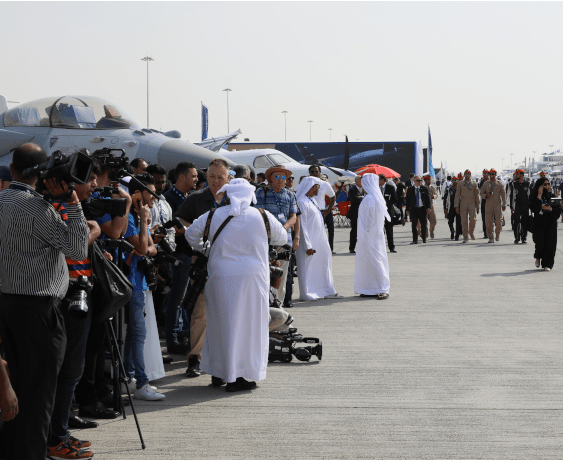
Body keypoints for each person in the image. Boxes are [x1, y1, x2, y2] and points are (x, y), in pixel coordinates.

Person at [0, 143, 89, 460]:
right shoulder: (39, 209)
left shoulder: (1, 201)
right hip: (39, 313)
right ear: (41, 174)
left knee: (13, 393)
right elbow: (78, 250)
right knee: (39, 399)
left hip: (7, 306)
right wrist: (73, 202)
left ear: (12, 170)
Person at [185, 179, 288, 391]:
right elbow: (282, 237)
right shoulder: (262, 216)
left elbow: (190, 235)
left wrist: (206, 249)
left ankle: (218, 372)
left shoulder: (213, 215)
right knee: (249, 327)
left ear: (228, 195)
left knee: (220, 325)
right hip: (253, 278)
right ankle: (238, 377)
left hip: (220, 277)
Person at [47, 165, 103, 459]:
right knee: (67, 371)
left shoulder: (69, 210)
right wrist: (92, 232)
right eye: (90, 179)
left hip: (78, 293)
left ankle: (60, 431)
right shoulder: (55, 209)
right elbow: (72, 248)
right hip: (66, 296)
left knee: (73, 370)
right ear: (72, 185)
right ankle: (55, 437)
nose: (95, 184)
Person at [175, 159, 232, 379]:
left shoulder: (236, 200)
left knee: (227, 314)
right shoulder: (196, 198)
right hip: (202, 264)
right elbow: (179, 218)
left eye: (220, 177)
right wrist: (194, 230)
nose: (216, 181)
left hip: (228, 265)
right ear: (206, 177)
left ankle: (225, 361)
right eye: (211, 177)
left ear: (228, 178)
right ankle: (195, 359)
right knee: (200, 313)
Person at [122, 173, 166, 400]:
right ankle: (141, 383)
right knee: (138, 333)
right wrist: (142, 223)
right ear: (137, 193)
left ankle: (128, 378)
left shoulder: (139, 215)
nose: (154, 198)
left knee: (134, 334)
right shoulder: (131, 217)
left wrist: (146, 238)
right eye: (151, 193)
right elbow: (142, 248)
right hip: (131, 281)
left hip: (138, 280)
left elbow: (152, 248)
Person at [162, 162, 198, 354]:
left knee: (185, 299)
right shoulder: (169, 199)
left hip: (189, 255)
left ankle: (182, 334)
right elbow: (173, 229)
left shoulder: (188, 196)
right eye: (193, 176)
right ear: (181, 177)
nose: (196, 179)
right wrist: (195, 227)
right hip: (179, 255)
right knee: (176, 299)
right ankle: (172, 339)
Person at [255, 165, 298, 304]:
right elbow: (257, 213)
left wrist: (284, 228)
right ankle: (265, 305)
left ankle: (278, 306)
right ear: (270, 179)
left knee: (282, 275)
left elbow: (294, 217)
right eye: (277, 177)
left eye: (283, 177)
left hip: (285, 241)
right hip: (266, 241)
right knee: (265, 273)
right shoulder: (261, 192)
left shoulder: (290, 194)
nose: (281, 180)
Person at [295, 177, 342, 300]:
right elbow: (302, 226)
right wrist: (308, 245)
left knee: (322, 265)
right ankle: (307, 293)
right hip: (309, 243)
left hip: (319, 241)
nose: (319, 189)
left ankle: (324, 290)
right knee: (307, 268)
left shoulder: (311, 200)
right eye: (317, 186)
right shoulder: (302, 202)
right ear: (311, 187)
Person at [354, 173, 390, 299]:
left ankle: (383, 288)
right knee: (370, 261)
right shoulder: (375, 197)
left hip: (369, 236)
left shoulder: (370, 198)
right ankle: (370, 288)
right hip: (374, 236)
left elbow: (370, 219)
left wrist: (366, 232)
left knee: (375, 261)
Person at [530, 177, 561, 271]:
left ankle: (547, 264)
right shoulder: (533, 196)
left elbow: (558, 209)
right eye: (545, 184)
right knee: (540, 243)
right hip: (539, 223)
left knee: (550, 244)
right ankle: (538, 257)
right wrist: (539, 196)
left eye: (548, 184)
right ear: (540, 185)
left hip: (550, 224)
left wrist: (550, 209)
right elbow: (532, 208)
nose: (547, 186)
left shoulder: (551, 196)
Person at [309, 167, 336, 253]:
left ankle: (330, 248)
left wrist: (328, 210)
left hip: (324, 211)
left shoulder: (324, 184)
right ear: (309, 173)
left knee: (330, 230)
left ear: (320, 172)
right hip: (311, 212)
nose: (314, 173)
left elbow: (333, 196)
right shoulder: (306, 184)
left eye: (316, 171)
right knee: (316, 233)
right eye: (312, 172)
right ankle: (316, 249)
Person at [480, 168, 507, 243]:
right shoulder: (485, 183)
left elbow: (504, 194)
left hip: (497, 205)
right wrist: (486, 195)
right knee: (489, 222)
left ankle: (497, 234)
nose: (492, 175)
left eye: (493, 174)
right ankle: (491, 237)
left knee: (498, 221)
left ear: (495, 174)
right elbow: (481, 193)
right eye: (490, 174)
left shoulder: (499, 183)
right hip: (488, 205)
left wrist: (504, 204)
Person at [454, 169, 480, 243]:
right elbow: (457, 195)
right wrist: (456, 206)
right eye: (466, 174)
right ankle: (465, 237)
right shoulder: (460, 184)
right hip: (463, 204)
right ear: (464, 175)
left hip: (472, 203)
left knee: (473, 220)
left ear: (470, 175)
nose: (467, 175)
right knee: (464, 221)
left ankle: (471, 232)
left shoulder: (474, 184)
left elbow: (477, 195)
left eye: (469, 174)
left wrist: (478, 206)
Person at [405, 175, 431, 244]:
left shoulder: (424, 188)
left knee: (424, 224)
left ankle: (424, 238)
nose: (419, 182)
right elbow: (407, 200)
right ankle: (415, 240)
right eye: (418, 180)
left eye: (420, 180)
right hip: (414, 209)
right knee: (413, 225)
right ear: (414, 181)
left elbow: (428, 198)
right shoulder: (410, 189)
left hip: (422, 208)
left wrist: (429, 207)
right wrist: (407, 209)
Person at [510, 168, 531, 244]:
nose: (516, 175)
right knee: (516, 222)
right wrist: (511, 207)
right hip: (517, 206)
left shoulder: (528, 183)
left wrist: (530, 207)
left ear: (521, 175)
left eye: (517, 174)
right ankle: (517, 238)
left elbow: (530, 195)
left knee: (524, 222)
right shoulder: (514, 184)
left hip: (525, 206)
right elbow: (512, 196)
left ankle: (524, 238)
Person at [379, 174, 397, 252]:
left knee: (389, 230)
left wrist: (387, 203)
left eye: (379, 180)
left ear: (383, 180)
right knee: (379, 231)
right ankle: (380, 248)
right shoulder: (376, 188)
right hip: (378, 213)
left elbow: (395, 199)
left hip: (388, 212)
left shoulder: (390, 187)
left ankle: (391, 247)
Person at [348, 176, 365, 253]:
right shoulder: (352, 190)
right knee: (354, 231)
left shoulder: (363, 190)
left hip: (362, 214)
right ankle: (352, 248)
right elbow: (354, 199)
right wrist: (362, 198)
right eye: (361, 181)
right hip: (355, 213)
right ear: (357, 181)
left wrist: (360, 197)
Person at [421, 174, 438, 239]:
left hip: (431, 206)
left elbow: (436, 194)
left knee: (434, 220)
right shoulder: (422, 187)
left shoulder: (432, 188)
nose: (429, 181)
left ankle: (431, 231)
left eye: (429, 180)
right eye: (428, 180)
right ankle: (425, 233)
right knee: (423, 221)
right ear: (425, 181)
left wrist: (434, 196)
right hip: (423, 206)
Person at [478, 170, 490, 238]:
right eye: (483, 174)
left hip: (491, 202)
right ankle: (485, 233)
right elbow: (480, 193)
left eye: (486, 173)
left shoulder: (492, 181)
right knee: (484, 218)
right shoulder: (481, 182)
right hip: (484, 202)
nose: (484, 175)